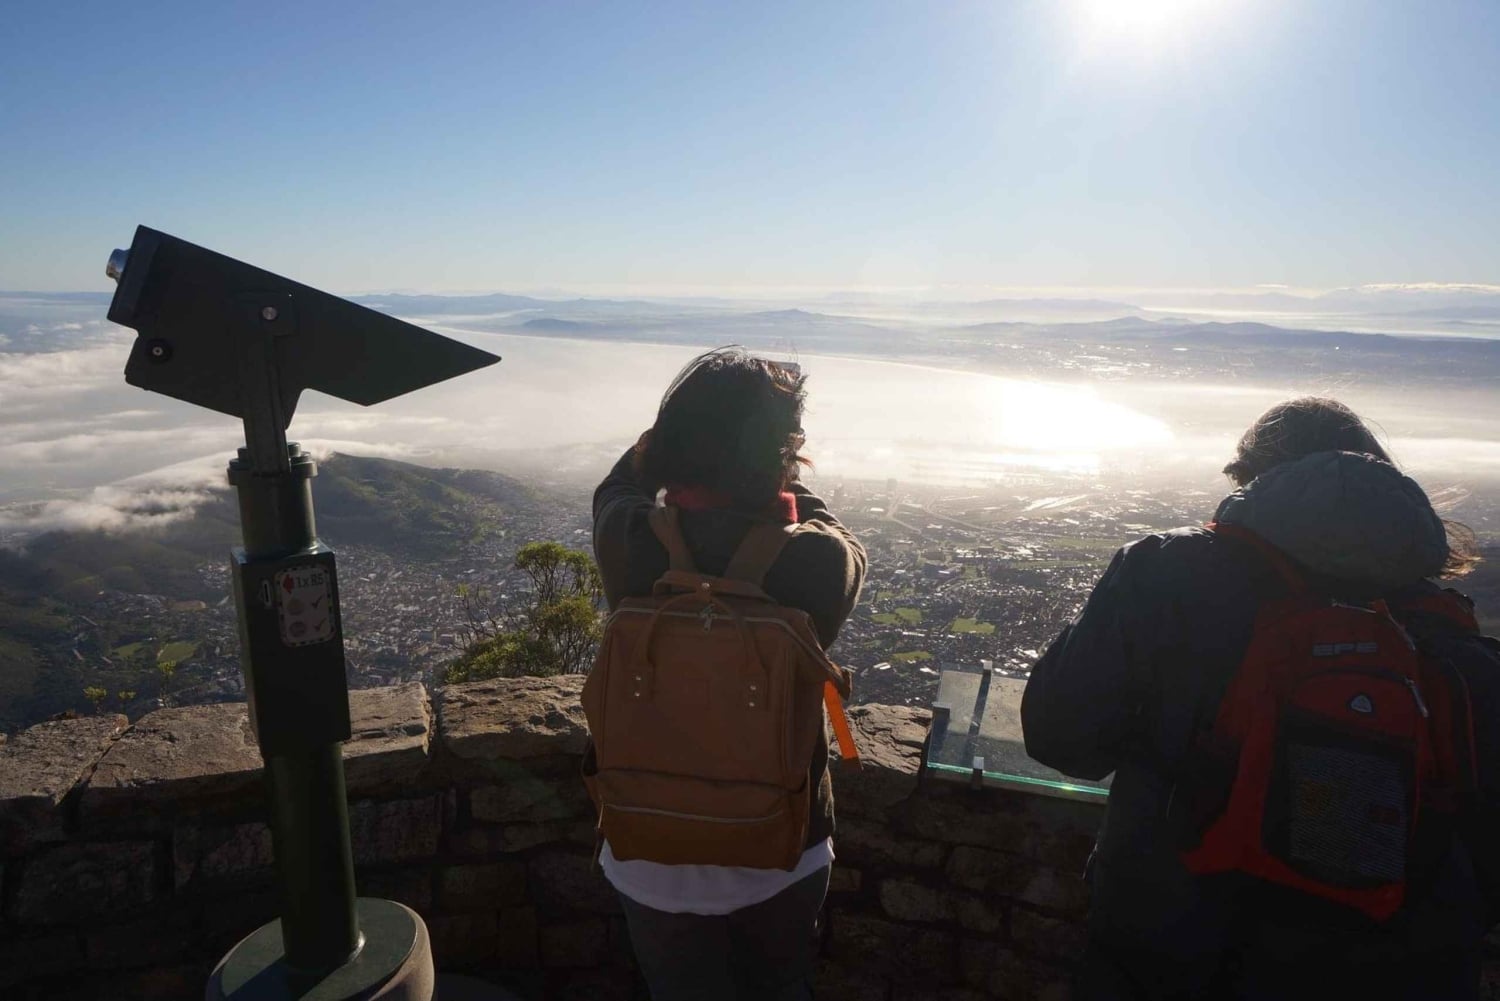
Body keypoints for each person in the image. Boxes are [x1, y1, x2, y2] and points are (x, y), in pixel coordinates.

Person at [1021, 397, 1498, 1001]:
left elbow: (1060, 738)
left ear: (1253, 479)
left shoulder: (1167, 572)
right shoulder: (1449, 630)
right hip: (1397, 966)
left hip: (1174, 943)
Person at [591, 346, 866, 1000]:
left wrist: (652, 451)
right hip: (780, 851)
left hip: (645, 850)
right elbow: (841, 536)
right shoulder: (815, 562)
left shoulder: (631, 538)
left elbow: (615, 490)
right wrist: (783, 484)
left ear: (672, 444)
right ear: (780, 452)